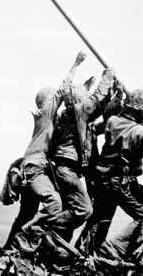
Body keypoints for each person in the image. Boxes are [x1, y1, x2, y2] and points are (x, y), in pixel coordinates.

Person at [77, 89, 143, 260]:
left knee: (101, 218)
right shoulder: (140, 133)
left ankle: (83, 253)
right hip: (120, 182)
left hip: (103, 178)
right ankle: (113, 250)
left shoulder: (113, 121)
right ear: (141, 111)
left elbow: (96, 129)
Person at [3, 52, 85, 251]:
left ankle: (9, 247)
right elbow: (63, 88)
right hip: (35, 168)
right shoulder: (46, 114)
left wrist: (86, 88)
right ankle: (27, 235)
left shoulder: (47, 120)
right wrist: (76, 63)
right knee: (54, 203)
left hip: (33, 166)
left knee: (27, 212)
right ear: (47, 102)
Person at [49, 66, 117, 241]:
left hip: (67, 171)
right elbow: (95, 100)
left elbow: (99, 107)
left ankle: (57, 247)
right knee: (83, 210)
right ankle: (42, 229)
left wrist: (115, 95)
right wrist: (107, 77)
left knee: (71, 209)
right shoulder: (79, 113)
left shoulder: (72, 117)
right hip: (68, 170)